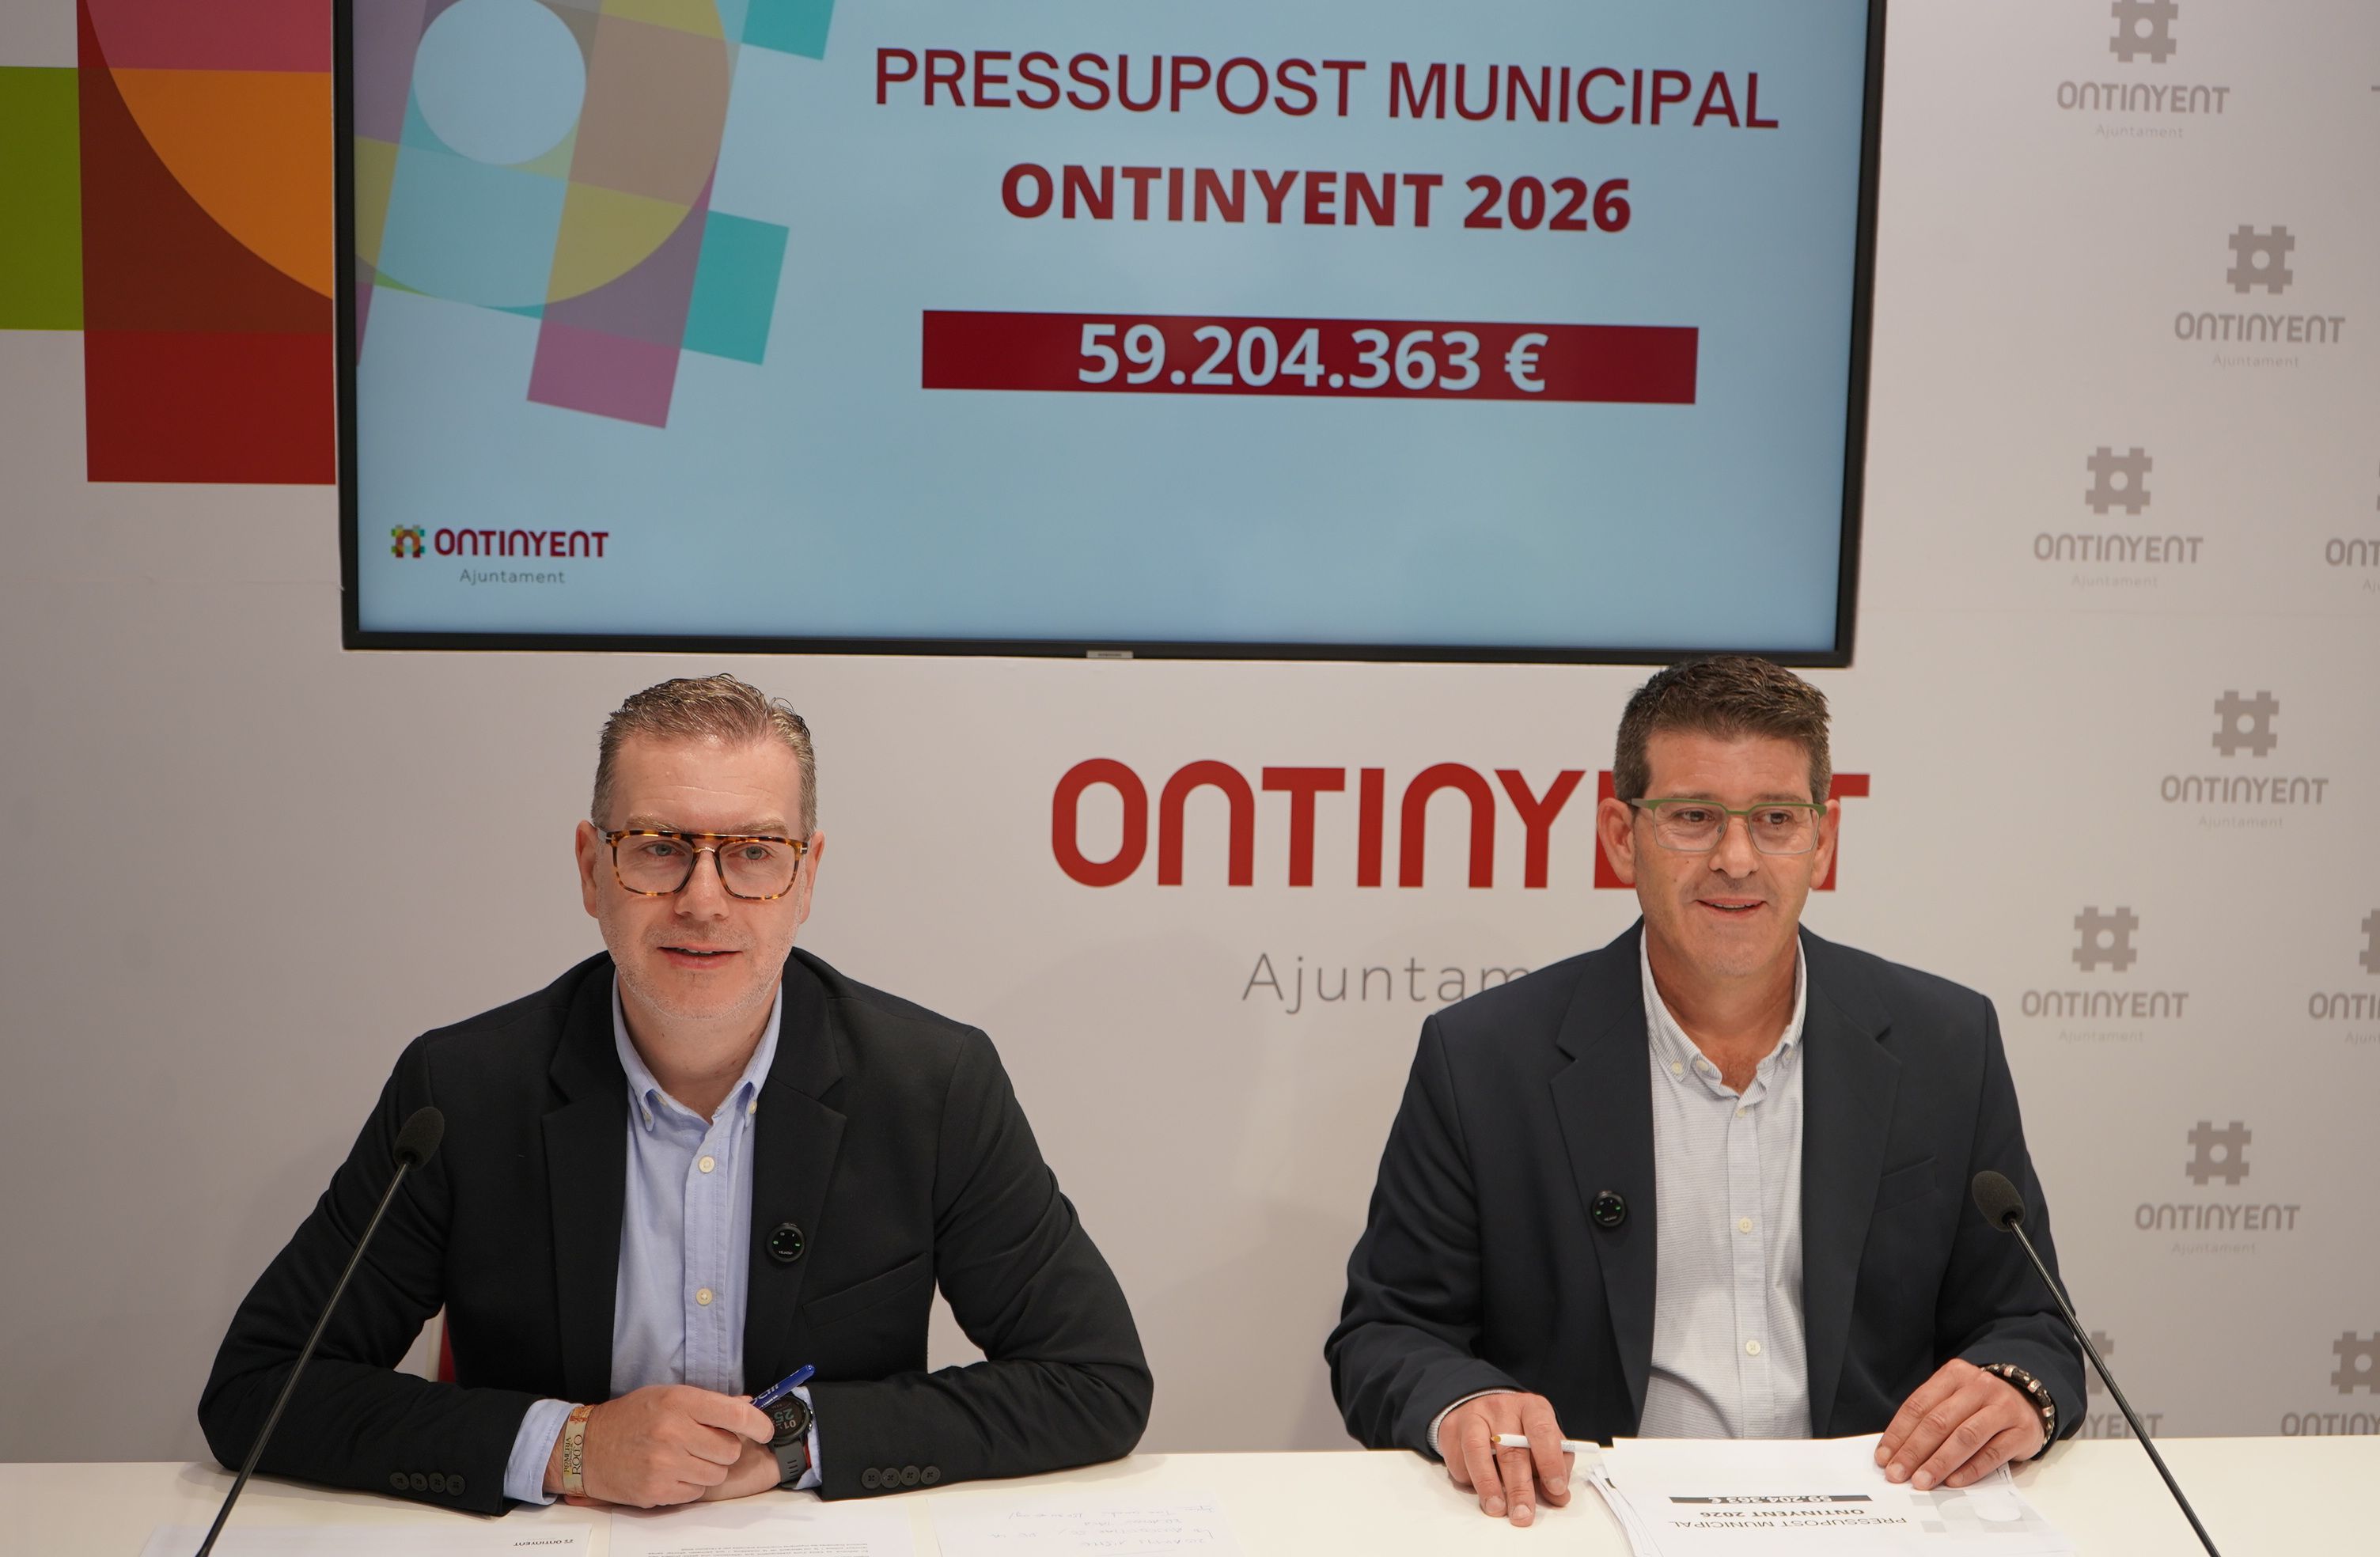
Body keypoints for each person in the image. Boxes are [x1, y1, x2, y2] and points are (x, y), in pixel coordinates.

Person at [201, 675, 1150, 1513]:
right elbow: (260, 1389)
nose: (703, 899)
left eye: (754, 852)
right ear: (591, 869)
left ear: (806, 876)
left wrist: (793, 1444)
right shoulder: (461, 1091)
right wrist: (571, 1447)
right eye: (658, 848)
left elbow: (1094, 1381)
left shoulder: (931, 1086)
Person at [1325, 656, 2082, 1525]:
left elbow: (2032, 1326)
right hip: (1584, 1525)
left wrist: (2014, 1390)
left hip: (1872, 1522)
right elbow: (1386, 1333)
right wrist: (1463, 1402)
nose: (1736, 859)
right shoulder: (1484, 1060)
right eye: (1692, 817)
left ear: (1822, 841)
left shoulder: (1945, 1043)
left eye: (1775, 819)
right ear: (1621, 835)